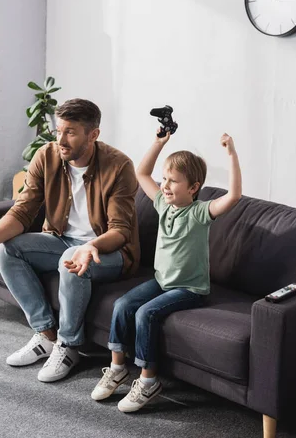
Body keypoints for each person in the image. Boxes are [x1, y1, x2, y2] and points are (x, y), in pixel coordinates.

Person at [0, 99, 140, 382]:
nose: (61, 139)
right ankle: (47, 335)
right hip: (60, 239)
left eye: (70, 132)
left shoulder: (119, 166)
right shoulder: (47, 156)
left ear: (93, 134)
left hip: (110, 251)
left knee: (72, 261)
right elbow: (23, 209)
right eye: (59, 131)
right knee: (8, 250)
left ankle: (69, 346)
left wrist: (89, 246)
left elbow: (120, 231)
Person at [91, 129, 242, 412]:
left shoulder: (200, 213)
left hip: (189, 289)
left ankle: (148, 382)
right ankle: (117, 367)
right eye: (165, 179)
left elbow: (233, 196)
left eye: (174, 181)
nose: (165, 185)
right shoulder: (162, 204)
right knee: (123, 304)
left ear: (193, 188)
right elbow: (142, 174)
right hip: (161, 281)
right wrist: (159, 143)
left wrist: (231, 153)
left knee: (145, 313)